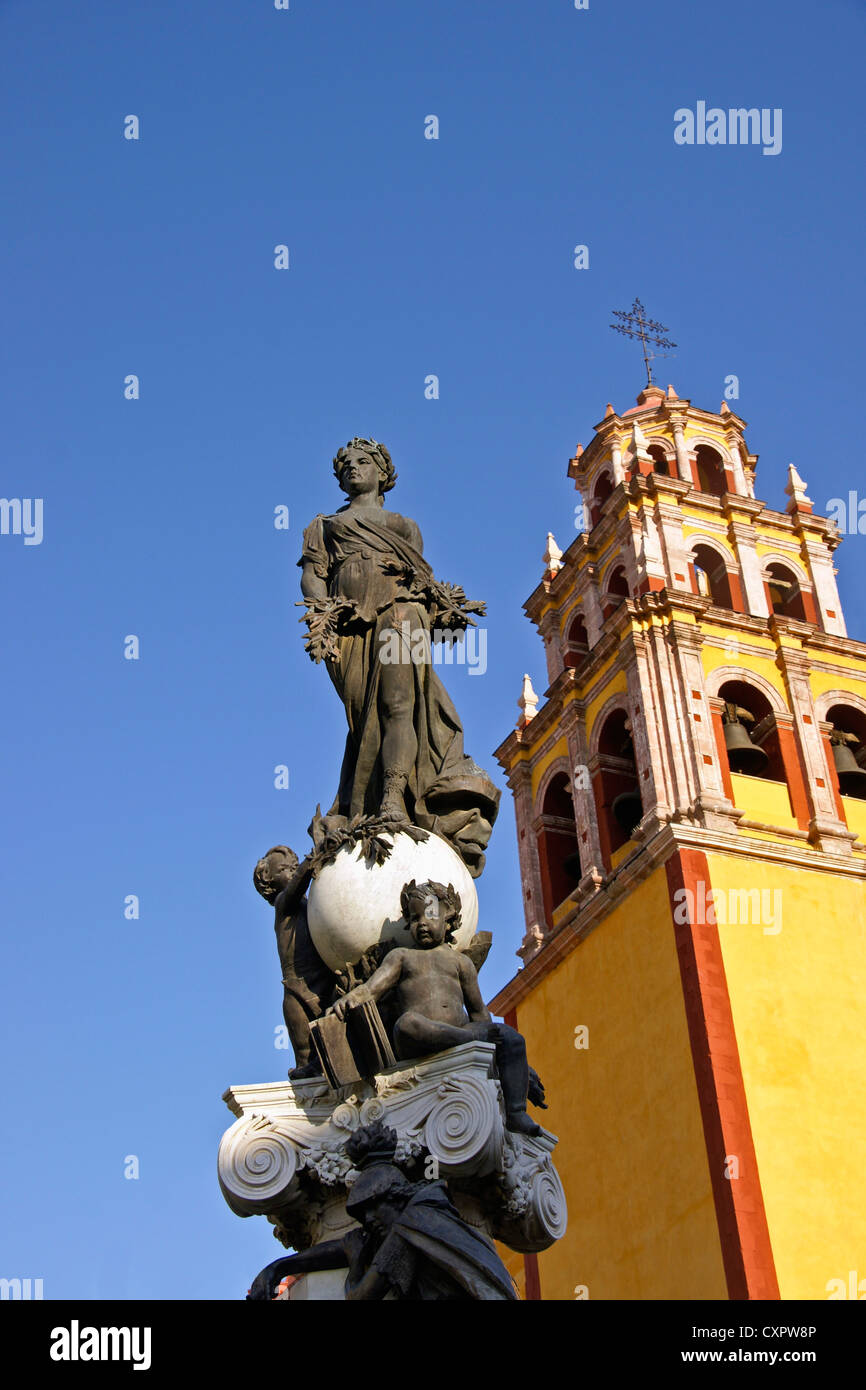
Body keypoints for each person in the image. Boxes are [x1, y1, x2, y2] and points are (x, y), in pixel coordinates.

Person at [298, 437, 499, 876]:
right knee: (361, 718)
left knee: (398, 705)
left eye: (364, 461)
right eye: (346, 464)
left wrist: (440, 606)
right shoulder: (323, 525)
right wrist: (325, 612)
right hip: (349, 630)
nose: (354, 467)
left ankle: (392, 797)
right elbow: (313, 577)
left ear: (382, 472)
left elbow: (421, 579)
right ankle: (363, 799)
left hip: (401, 612)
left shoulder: (404, 526)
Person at [329, 879, 545, 1135]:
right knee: (408, 1022)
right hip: (418, 1038)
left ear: (448, 917)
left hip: (460, 1030)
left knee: (512, 1038)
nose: (421, 922)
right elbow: (373, 988)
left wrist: (510, 1058)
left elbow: (479, 1012)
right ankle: (465, 1038)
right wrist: (350, 998)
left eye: (429, 914)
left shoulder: (460, 962)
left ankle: (516, 1112)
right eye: (414, 917)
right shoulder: (401, 956)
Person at [253, 845, 334, 1079]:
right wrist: (314, 857)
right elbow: (297, 886)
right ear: (268, 880)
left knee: (330, 1051)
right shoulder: (283, 904)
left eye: (294, 867)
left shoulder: (313, 905)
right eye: (284, 869)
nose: (292, 871)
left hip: (325, 983)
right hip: (298, 991)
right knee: (306, 1059)